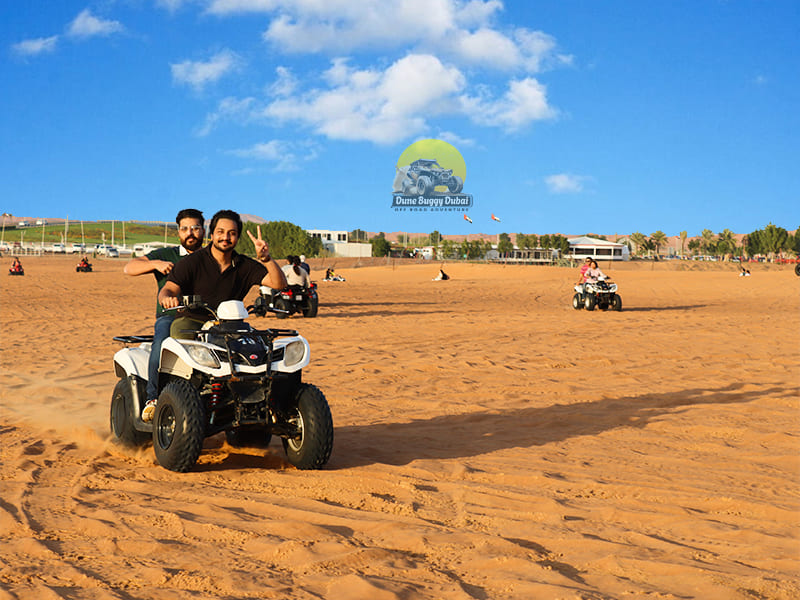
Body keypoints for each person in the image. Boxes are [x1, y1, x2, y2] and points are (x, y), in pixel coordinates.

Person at [124, 208, 205, 420]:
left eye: (195, 228)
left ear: (203, 231)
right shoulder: (166, 254)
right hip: (170, 316)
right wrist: (154, 264)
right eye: (185, 228)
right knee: (161, 343)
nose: (190, 233)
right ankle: (153, 397)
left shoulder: (211, 257)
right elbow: (129, 267)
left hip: (207, 316)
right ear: (178, 232)